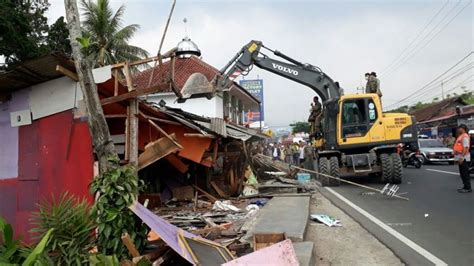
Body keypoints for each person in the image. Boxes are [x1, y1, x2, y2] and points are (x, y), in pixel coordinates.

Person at [453, 124, 471, 193]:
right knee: (462, 173)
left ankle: (467, 187)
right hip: (460, 157)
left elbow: (465, 148)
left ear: (462, 129)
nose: (458, 129)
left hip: (464, 157)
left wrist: (462, 157)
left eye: (459, 128)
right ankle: (465, 186)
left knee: (465, 173)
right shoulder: (460, 136)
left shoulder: (465, 136)